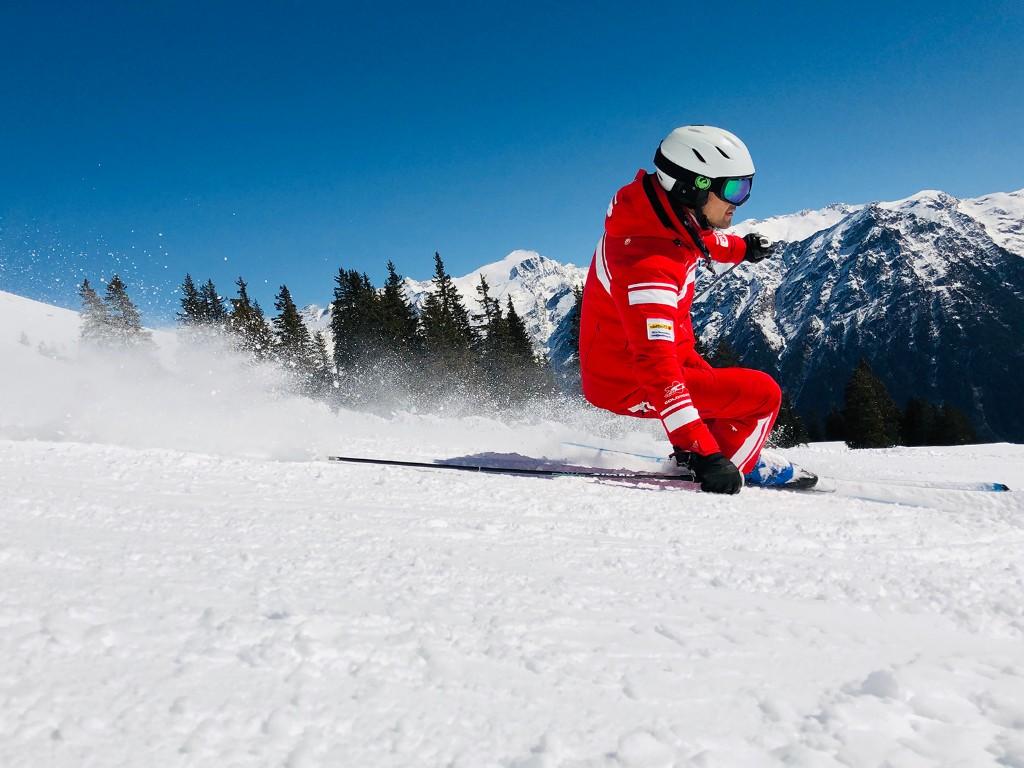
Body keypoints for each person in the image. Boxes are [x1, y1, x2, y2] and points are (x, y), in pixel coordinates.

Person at [578, 125, 815, 493]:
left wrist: (742, 249)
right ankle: (735, 464)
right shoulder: (647, 264)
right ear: (693, 187)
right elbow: (657, 369)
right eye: (733, 189)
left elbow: (699, 240)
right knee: (763, 396)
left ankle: (713, 449)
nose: (740, 201)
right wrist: (705, 455)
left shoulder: (660, 217)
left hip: (656, 358)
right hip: (628, 381)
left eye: (746, 187)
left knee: (717, 389)